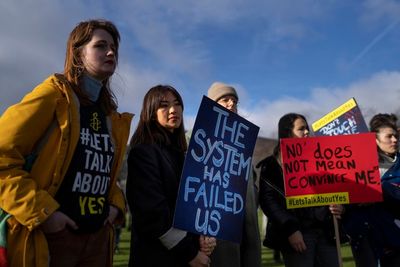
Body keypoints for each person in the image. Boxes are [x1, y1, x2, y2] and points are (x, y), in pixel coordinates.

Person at [0, 19, 132, 267]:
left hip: (97, 241)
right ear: (78, 53)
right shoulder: (54, 95)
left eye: (113, 47)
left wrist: (115, 206)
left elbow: (106, 175)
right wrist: (45, 215)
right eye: (101, 46)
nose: (111, 52)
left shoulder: (111, 116)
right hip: (54, 241)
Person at [126, 85, 215, 267]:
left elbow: (193, 204)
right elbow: (152, 214)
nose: (173, 110)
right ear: (151, 112)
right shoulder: (143, 152)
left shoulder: (185, 155)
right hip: (157, 258)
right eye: (164, 105)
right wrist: (190, 254)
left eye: (177, 104)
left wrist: (203, 236)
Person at [257, 113, 343, 267]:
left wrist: (340, 206)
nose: (306, 132)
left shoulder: (321, 159)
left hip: (326, 233)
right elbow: (268, 201)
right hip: (298, 235)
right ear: (287, 132)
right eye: (301, 129)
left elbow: (335, 189)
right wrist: (290, 229)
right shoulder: (271, 166)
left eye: (307, 128)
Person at [205, 82, 261, 267]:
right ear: (212, 105)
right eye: (224, 100)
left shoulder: (244, 144)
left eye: (234, 101)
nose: (231, 104)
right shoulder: (199, 138)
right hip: (217, 230)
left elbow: (252, 184)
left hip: (248, 229)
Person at [344, 113, 400, 267]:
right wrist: (342, 207)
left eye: (396, 136)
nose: (394, 140)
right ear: (374, 139)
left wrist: (379, 193)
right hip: (363, 237)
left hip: (394, 237)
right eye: (389, 136)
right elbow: (347, 197)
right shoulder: (356, 165)